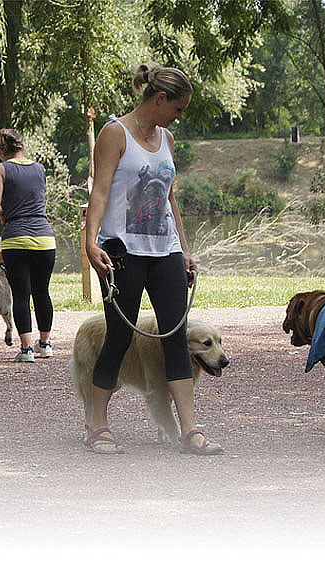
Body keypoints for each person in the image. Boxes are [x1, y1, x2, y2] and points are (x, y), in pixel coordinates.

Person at [82, 64, 221, 455]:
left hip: (166, 252)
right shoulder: (115, 133)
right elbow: (101, 193)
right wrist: (91, 245)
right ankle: (98, 425)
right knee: (120, 336)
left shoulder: (168, 140)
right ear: (160, 99)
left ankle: (190, 431)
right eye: (178, 108)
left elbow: (170, 200)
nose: (180, 116)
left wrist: (186, 249)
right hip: (122, 252)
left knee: (176, 337)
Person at [0, 128, 56, 363]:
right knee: (42, 292)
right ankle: (45, 344)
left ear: (0, 150)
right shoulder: (39, 169)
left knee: (21, 294)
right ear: (21, 146)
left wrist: (6, 215)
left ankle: (26, 350)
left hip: (16, 238)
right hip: (45, 238)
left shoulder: (1, 169)